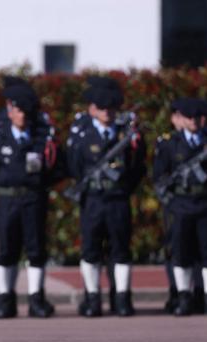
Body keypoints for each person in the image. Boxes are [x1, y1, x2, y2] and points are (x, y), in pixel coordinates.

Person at [66, 76, 146, 317]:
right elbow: (74, 166)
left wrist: (122, 188)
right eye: (102, 108)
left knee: (120, 249)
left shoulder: (127, 135)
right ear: (91, 109)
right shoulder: (82, 134)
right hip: (93, 199)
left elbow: (137, 167)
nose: (107, 113)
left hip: (117, 198)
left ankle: (121, 297)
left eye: (111, 108)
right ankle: (92, 298)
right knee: (90, 249)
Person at [0, 84, 62, 318]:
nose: (22, 116)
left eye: (26, 112)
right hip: (8, 199)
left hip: (34, 199)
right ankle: (5, 297)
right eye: (18, 110)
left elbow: (55, 167)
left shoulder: (40, 137)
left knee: (36, 249)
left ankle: (37, 298)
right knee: (6, 249)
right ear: (10, 111)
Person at [153, 98, 207, 316]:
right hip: (182, 204)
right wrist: (170, 199)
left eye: (198, 117)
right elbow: (159, 175)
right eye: (190, 117)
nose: (195, 121)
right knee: (181, 252)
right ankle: (183, 297)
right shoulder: (169, 143)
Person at [160, 98, 203, 314]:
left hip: (202, 203)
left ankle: (201, 294)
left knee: (201, 250)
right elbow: (159, 174)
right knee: (176, 250)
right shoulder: (169, 142)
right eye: (180, 116)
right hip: (177, 203)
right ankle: (177, 293)